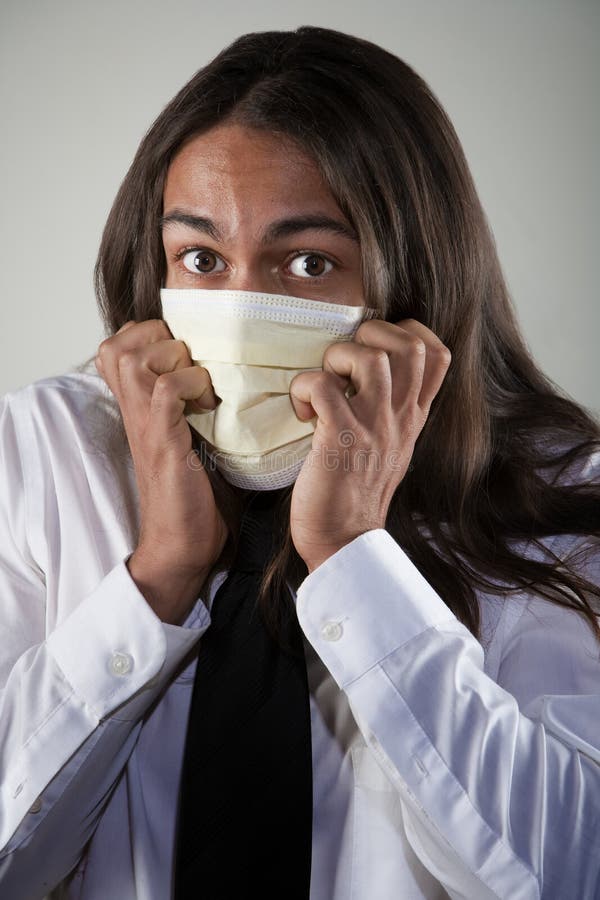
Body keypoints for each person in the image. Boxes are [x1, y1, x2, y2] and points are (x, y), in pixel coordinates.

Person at [0, 25, 599, 900]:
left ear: (412, 281)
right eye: (201, 259)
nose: (244, 311)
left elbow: (574, 870)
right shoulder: (47, 448)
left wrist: (356, 560)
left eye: (309, 262)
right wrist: (156, 576)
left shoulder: (555, 488)